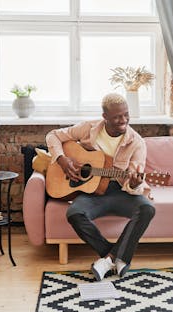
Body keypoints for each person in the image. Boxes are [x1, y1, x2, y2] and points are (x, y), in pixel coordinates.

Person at [46, 93, 155, 281]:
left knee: (147, 208)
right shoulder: (88, 128)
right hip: (92, 192)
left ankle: (108, 260)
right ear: (105, 117)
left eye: (126, 114)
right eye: (117, 117)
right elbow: (53, 135)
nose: (124, 120)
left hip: (120, 191)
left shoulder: (136, 142)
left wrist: (134, 182)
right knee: (74, 214)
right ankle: (116, 257)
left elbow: (134, 179)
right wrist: (62, 160)